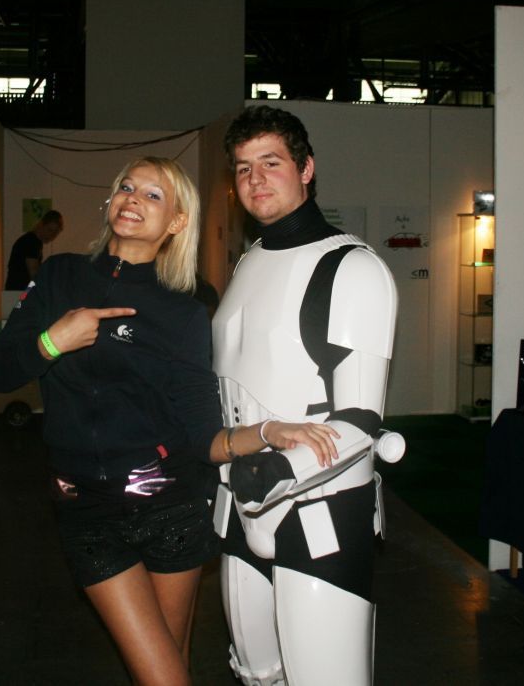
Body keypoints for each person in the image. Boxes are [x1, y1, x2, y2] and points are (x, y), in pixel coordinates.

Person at [0, 156, 335, 686]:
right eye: (127, 187)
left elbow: (202, 436)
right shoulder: (59, 276)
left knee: (169, 668)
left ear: (176, 221)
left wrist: (269, 432)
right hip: (85, 510)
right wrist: (54, 340)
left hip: (170, 511)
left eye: (153, 195)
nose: (133, 199)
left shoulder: (183, 311)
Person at [212, 105, 401, 685]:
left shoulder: (353, 269)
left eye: (271, 162)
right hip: (238, 499)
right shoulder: (249, 261)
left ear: (306, 168)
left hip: (321, 503)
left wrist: (280, 469)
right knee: (256, 672)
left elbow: (361, 420)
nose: (255, 179)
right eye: (243, 167)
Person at [4, 209, 64, 290]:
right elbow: (34, 273)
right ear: (42, 225)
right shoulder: (32, 242)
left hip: (17, 290)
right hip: (18, 291)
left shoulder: (32, 240)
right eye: (50, 230)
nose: (52, 235)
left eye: (55, 233)